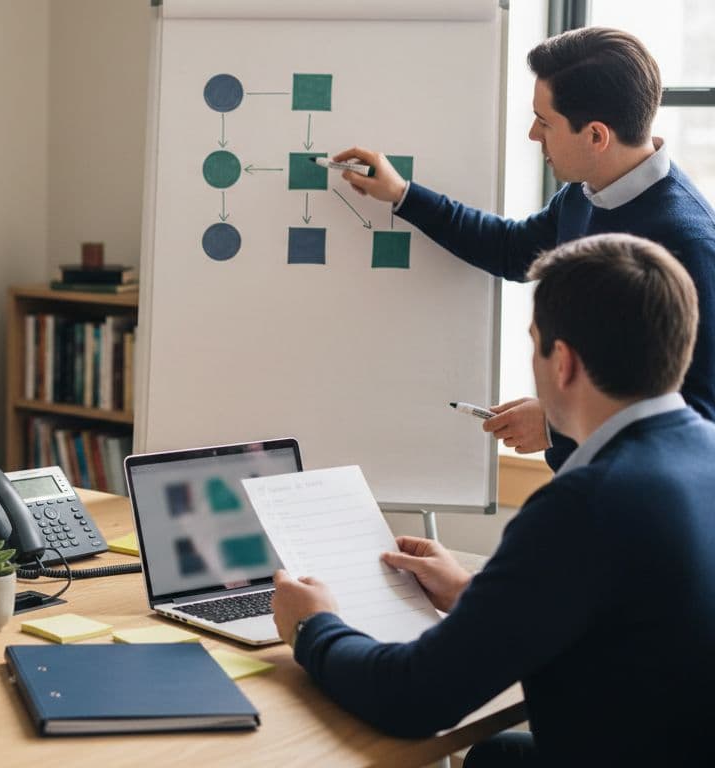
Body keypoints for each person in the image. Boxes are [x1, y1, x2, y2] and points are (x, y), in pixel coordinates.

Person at [270, 233, 715, 766]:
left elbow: (413, 698)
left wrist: (311, 626)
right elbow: (625, 612)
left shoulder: (585, 504)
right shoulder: (699, 454)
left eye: (534, 342)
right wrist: (472, 593)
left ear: (563, 363)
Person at [334, 26, 715, 470]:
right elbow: (513, 249)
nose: (534, 135)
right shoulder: (586, 192)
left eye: (545, 121)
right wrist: (403, 194)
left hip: (641, 508)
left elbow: (702, 416)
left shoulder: (691, 243)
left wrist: (558, 422)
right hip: (590, 487)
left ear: (596, 136)